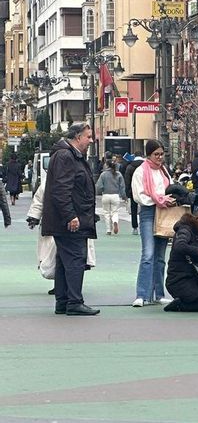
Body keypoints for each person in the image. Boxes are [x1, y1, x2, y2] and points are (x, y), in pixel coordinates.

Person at [41, 123, 100, 316]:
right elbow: (61, 190)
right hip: (70, 221)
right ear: (77, 137)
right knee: (75, 259)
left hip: (70, 218)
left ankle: (64, 301)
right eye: (88, 136)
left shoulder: (68, 155)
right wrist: (71, 216)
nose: (91, 140)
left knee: (65, 260)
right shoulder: (67, 156)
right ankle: (74, 302)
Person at [131, 139, 176, 307]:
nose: (159, 157)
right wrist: (159, 200)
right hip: (149, 212)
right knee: (148, 254)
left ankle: (158, 293)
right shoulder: (140, 171)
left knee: (160, 256)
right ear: (148, 155)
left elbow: (170, 189)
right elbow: (139, 196)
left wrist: (166, 199)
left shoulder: (164, 171)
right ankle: (142, 294)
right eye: (156, 154)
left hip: (164, 212)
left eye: (161, 154)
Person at [95, 160, 127, 235]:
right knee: (115, 211)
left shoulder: (103, 174)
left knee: (106, 212)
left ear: (107, 165)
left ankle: (108, 230)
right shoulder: (118, 174)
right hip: (115, 195)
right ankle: (115, 221)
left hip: (106, 195)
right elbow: (122, 186)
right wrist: (124, 196)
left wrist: (102, 190)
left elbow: (99, 186)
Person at [124, 151, 145, 235]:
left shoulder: (130, 166)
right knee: (145, 208)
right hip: (145, 190)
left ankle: (135, 227)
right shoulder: (145, 166)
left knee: (133, 208)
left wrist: (127, 191)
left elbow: (127, 180)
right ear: (142, 155)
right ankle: (144, 226)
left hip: (133, 190)